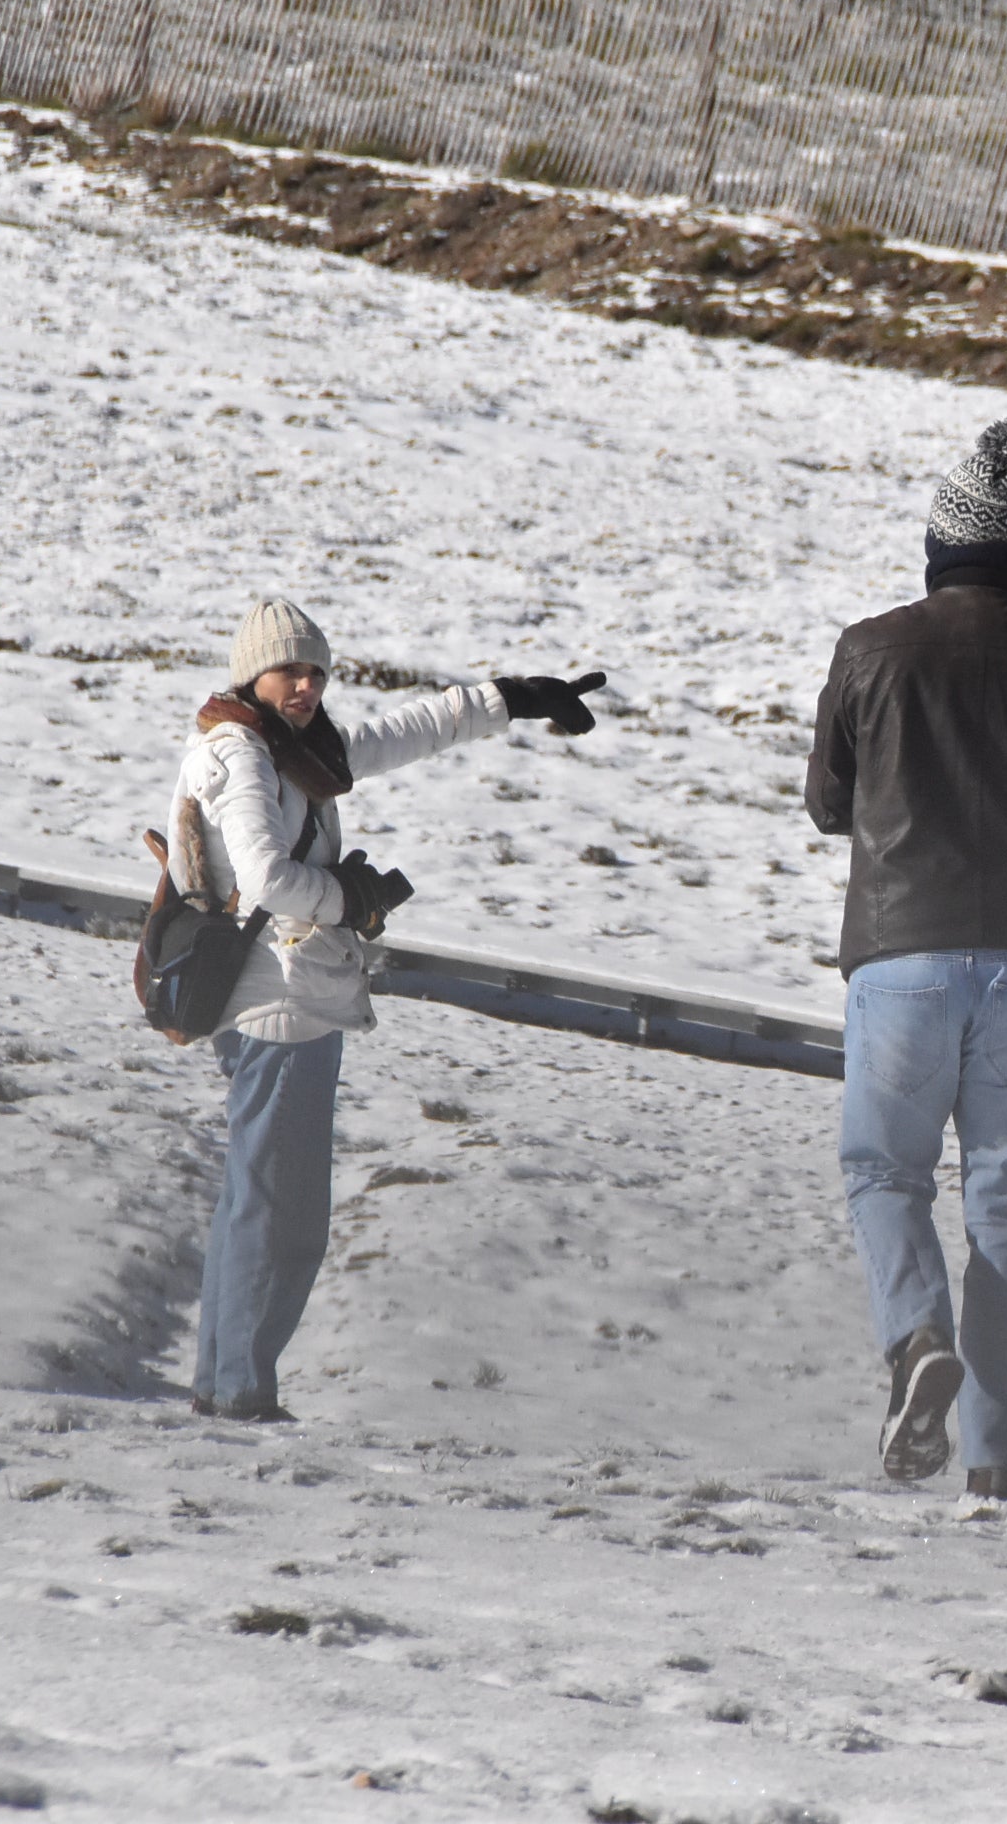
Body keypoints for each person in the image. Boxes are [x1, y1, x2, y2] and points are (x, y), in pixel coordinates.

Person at [166, 595, 608, 1422]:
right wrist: (347, 897)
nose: (305, 684)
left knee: (256, 1197)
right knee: (283, 1213)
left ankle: (223, 1384)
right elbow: (265, 878)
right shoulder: (242, 755)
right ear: (250, 672)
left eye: (316, 671)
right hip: (279, 1002)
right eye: (289, 669)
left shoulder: (293, 749)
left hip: (286, 992)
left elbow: (404, 733)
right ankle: (239, 1394)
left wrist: (513, 697)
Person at [806, 419, 1007, 1500]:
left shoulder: (872, 647)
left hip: (902, 951)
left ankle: (916, 1341)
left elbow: (827, 803)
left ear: (941, 543)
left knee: (884, 1170)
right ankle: (1000, 1461)